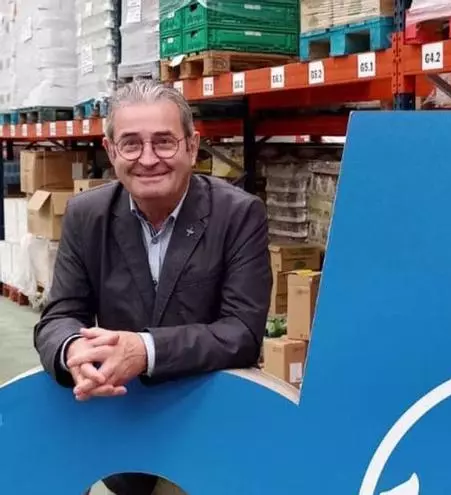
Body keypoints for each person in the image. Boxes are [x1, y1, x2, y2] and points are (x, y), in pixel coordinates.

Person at [33, 80, 272, 495]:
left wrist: (144, 350)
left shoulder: (238, 215)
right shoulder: (87, 216)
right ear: (110, 151)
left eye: (164, 142)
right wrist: (72, 350)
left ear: (192, 147)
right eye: (131, 144)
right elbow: (59, 315)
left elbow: (242, 333)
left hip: (205, 422)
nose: (148, 159)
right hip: (121, 420)